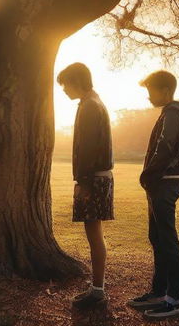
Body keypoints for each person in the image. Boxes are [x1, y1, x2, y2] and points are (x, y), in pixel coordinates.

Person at [127, 70, 179, 320]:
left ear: (165, 90)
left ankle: (175, 298)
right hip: (163, 182)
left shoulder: (173, 114)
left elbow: (165, 148)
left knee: (166, 238)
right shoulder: (171, 113)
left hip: (164, 183)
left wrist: (148, 176)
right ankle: (160, 291)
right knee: (157, 237)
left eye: (151, 91)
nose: (148, 97)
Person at [57, 62, 113, 309]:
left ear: (77, 81)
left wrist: (83, 183)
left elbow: (88, 148)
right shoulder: (91, 103)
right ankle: (97, 287)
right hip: (98, 177)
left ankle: (97, 290)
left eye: (65, 85)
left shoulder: (90, 106)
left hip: (94, 179)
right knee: (94, 233)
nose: (63, 90)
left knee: (93, 234)